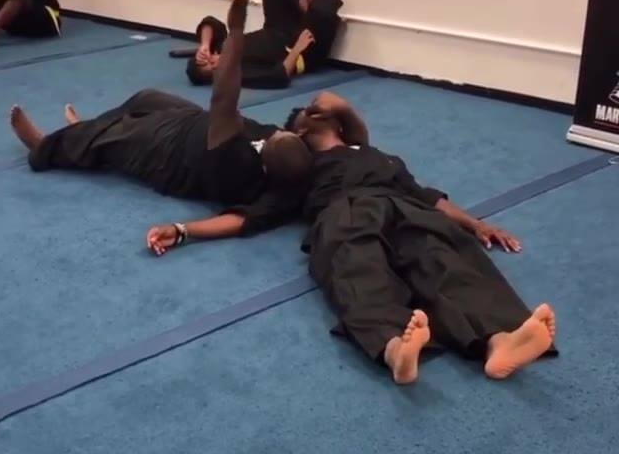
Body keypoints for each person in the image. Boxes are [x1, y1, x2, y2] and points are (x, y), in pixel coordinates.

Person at [148, 91, 557, 384]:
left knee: (444, 255)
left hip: (401, 204)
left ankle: (500, 340)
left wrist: (476, 224)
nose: (318, 111)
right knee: (357, 267)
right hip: (342, 211)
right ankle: (395, 348)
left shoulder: (377, 156)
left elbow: (428, 197)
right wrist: (184, 230)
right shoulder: (302, 167)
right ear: (300, 129)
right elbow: (247, 218)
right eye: (310, 112)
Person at [8, 0, 313, 217]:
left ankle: (44, 147)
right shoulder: (286, 157)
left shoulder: (239, 165)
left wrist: (235, 29)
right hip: (194, 123)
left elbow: (225, 96)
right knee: (146, 98)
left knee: (116, 137)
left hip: (170, 155)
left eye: (277, 139)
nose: (277, 133)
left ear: (265, 163)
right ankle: (86, 130)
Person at [185, 0, 343, 89]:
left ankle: (310, 5)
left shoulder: (223, 47)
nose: (214, 63)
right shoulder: (240, 74)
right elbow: (279, 76)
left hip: (276, 29)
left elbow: (210, 23)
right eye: (213, 69)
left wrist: (204, 45)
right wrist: (297, 49)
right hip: (302, 50)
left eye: (209, 60)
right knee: (323, 10)